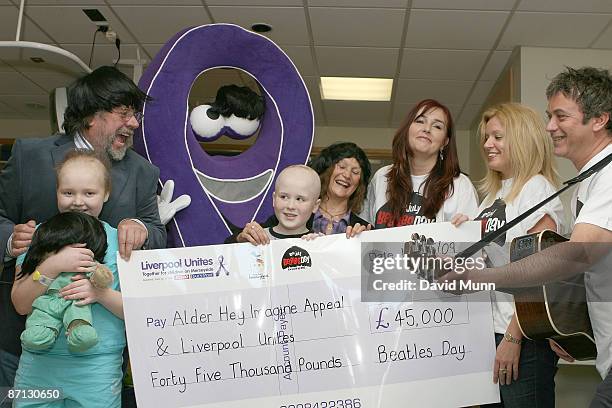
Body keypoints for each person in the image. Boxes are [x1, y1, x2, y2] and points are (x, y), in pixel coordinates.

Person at [442, 67, 612, 408]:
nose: (549, 126)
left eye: (560, 116)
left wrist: (480, 282)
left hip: (518, 334)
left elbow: (570, 256)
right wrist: (571, 325)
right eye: (549, 117)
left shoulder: (599, 179)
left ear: (599, 120)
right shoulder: (586, 181)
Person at [0, 66, 165, 396]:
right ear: (92, 115)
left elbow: (159, 233)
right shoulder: (29, 155)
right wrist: (10, 239)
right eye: (124, 114)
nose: (133, 124)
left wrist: (142, 229)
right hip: (24, 339)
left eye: (135, 115)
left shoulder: (142, 172)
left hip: (96, 348)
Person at [451, 103, 566, 407]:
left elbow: (540, 271)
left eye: (497, 137)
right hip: (490, 332)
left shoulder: (537, 189)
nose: (487, 145)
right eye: (487, 138)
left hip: (521, 336)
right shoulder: (494, 194)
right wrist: (463, 231)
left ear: (522, 138)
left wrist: (514, 337)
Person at [12, 150, 124, 407]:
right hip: (38, 364)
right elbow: (20, 304)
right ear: (57, 192)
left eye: (89, 193)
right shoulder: (37, 236)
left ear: (106, 194)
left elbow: (138, 311)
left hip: (97, 367)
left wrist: (100, 294)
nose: (78, 201)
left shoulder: (121, 241)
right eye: (68, 192)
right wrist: (51, 266)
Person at [360, 99, 478, 228]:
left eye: (437, 126)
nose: (427, 129)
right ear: (407, 130)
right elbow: (367, 231)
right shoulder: (382, 177)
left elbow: (469, 242)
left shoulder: (460, 185)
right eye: (420, 121)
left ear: (445, 142)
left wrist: (467, 229)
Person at [229, 165, 321, 243]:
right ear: (274, 199)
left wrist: (321, 250)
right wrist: (241, 242)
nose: (290, 206)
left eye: (299, 199)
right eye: (284, 197)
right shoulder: (256, 238)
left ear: (315, 206)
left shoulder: (318, 242)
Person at [308, 142, 371, 236]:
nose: (347, 175)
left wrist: (366, 243)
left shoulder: (365, 230)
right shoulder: (298, 215)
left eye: (355, 172)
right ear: (325, 169)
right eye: (341, 167)